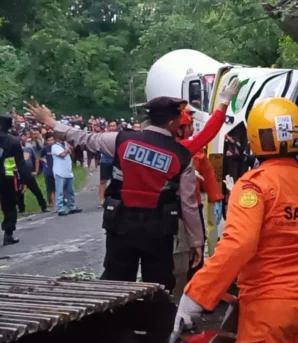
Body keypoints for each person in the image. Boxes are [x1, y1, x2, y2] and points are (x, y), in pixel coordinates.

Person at [175, 98, 298, 343]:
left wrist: (196, 296)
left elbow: (239, 245)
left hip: (268, 309)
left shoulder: (254, 186)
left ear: (257, 138)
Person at [25, 97, 204, 291]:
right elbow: (189, 204)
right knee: (159, 283)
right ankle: (154, 320)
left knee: (117, 281)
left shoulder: (121, 140)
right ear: (172, 122)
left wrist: (50, 122)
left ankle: (115, 320)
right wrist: (197, 241)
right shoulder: (182, 156)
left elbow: (82, 137)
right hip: (158, 229)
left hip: (121, 224)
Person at [176, 110, 224, 280]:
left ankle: (196, 286)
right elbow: (209, 132)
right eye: (189, 126)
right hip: (174, 208)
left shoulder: (195, 148)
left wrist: (216, 197)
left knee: (197, 248)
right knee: (180, 252)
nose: (192, 130)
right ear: (179, 128)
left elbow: (208, 172)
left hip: (194, 205)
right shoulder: (175, 147)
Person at [0, 115, 26, 245]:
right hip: (7, 176)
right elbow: (20, 163)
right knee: (9, 206)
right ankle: (8, 234)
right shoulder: (14, 141)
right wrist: (23, 180)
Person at [51, 136, 82, 216]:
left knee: (70, 191)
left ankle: (72, 207)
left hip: (68, 172)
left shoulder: (65, 145)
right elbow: (62, 155)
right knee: (60, 191)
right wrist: (68, 149)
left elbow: (73, 157)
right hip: (59, 172)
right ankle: (60, 209)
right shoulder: (55, 146)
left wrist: (71, 149)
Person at [98, 121, 118, 207]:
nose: (112, 127)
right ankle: (102, 200)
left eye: (114, 126)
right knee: (103, 181)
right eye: (111, 126)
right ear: (108, 127)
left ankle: (116, 199)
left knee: (116, 180)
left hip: (115, 160)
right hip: (105, 160)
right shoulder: (104, 136)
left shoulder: (119, 135)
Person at [40, 133, 56, 208]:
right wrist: (45, 160)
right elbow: (39, 157)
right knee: (51, 189)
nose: (50, 142)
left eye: (52, 140)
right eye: (49, 140)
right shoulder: (45, 149)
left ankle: (62, 202)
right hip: (49, 171)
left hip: (58, 170)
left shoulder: (57, 147)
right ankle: (53, 205)